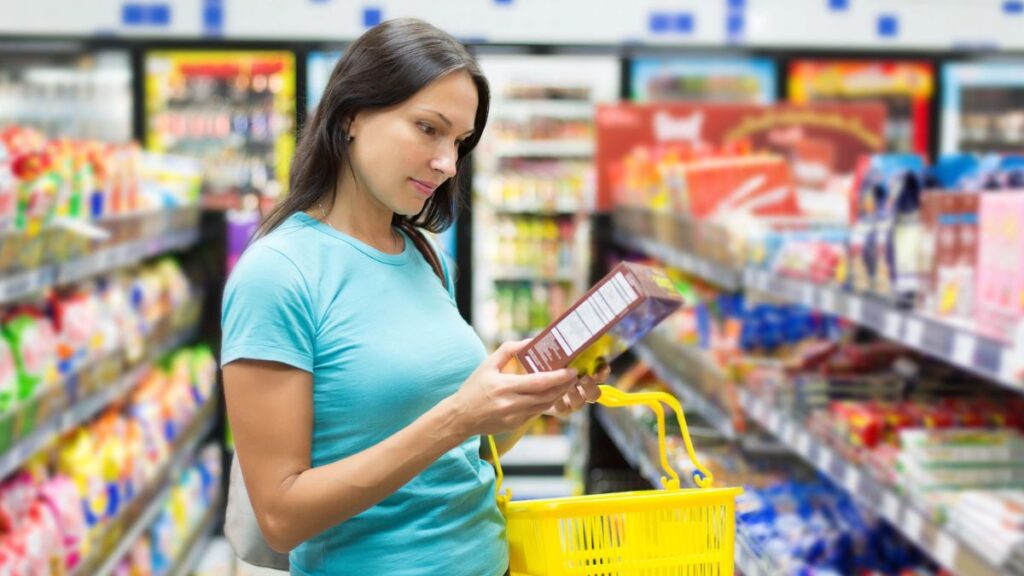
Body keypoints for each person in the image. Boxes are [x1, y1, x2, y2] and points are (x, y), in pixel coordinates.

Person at [221, 18, 604, 576]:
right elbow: (281, 515)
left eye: (459, 142)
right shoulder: (278, 275)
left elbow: (458, 455)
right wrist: (456, 417)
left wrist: (526, 401)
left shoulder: (424, 256)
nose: (448, 163)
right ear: (352, 115)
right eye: (429, 129)